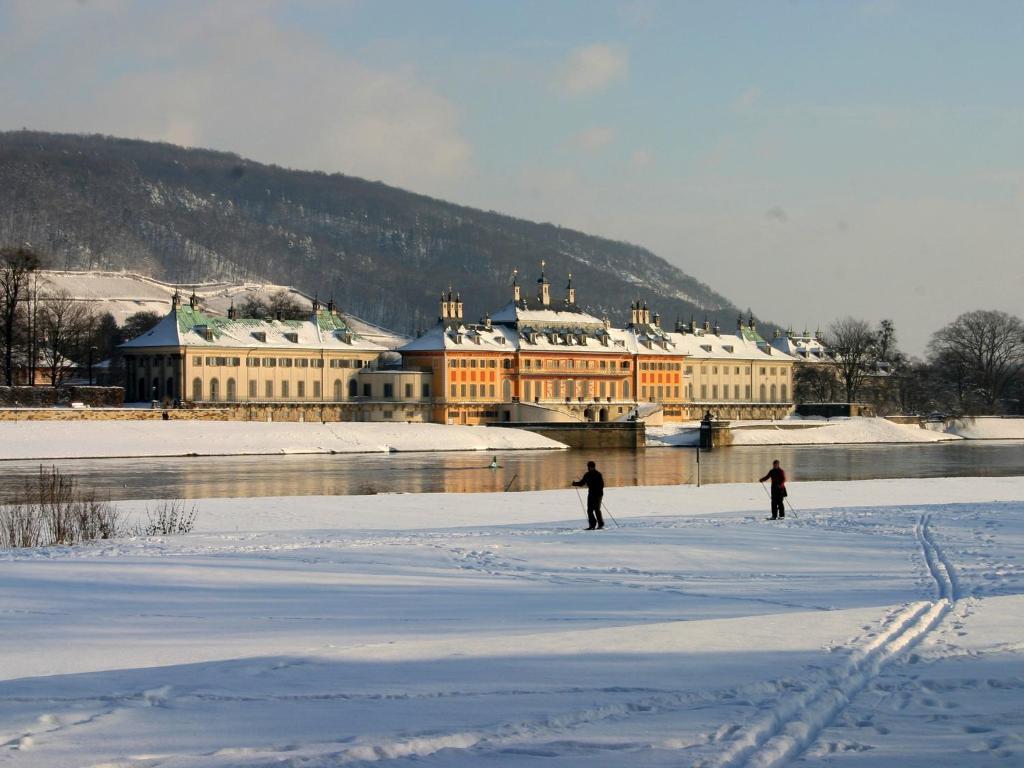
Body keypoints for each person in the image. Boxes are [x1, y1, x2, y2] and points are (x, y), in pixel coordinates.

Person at [572, 460, 605, 530]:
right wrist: (575, 483)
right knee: (589, 510)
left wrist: (593, 487)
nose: (588, 468)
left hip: (598, 494)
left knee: (597, 509)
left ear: (593, 467)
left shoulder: (598, 474)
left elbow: (601, 485)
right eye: (588, 467)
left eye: (589, 467)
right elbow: (582, 483)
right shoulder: (587, 474)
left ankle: (600, 524)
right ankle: (592, 525)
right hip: (591, 494)